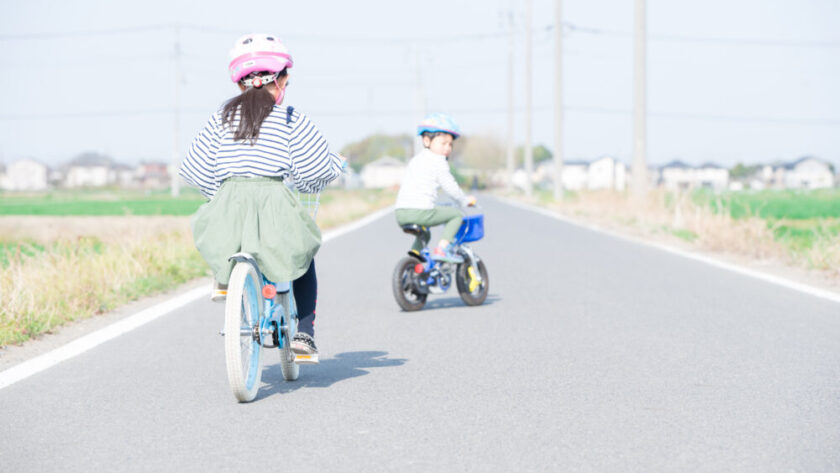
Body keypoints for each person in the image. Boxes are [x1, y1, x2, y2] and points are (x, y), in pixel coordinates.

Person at [179, 33, 345, 359]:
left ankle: (225, 279)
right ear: (281, 79)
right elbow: (313, 170)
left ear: (241, 83)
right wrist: (327, 173)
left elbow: (193, 168)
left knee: (229, 237)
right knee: (302, 256)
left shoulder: (221, 117)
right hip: (274, 199)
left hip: (229, 202)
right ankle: (305, 334)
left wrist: (221, 194)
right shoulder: (289, 118)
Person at [394, 113, 476, 263]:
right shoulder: (438, 161)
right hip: (420, 211)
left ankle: (414, 261)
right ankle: (442, 249)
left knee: (425, 234)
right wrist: (464, 201)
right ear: (427, 141)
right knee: (456, 215)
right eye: (443, 143)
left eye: (450, 144)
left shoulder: (416, 160)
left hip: (401, 212)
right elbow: (450, 187)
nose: (447, 148)